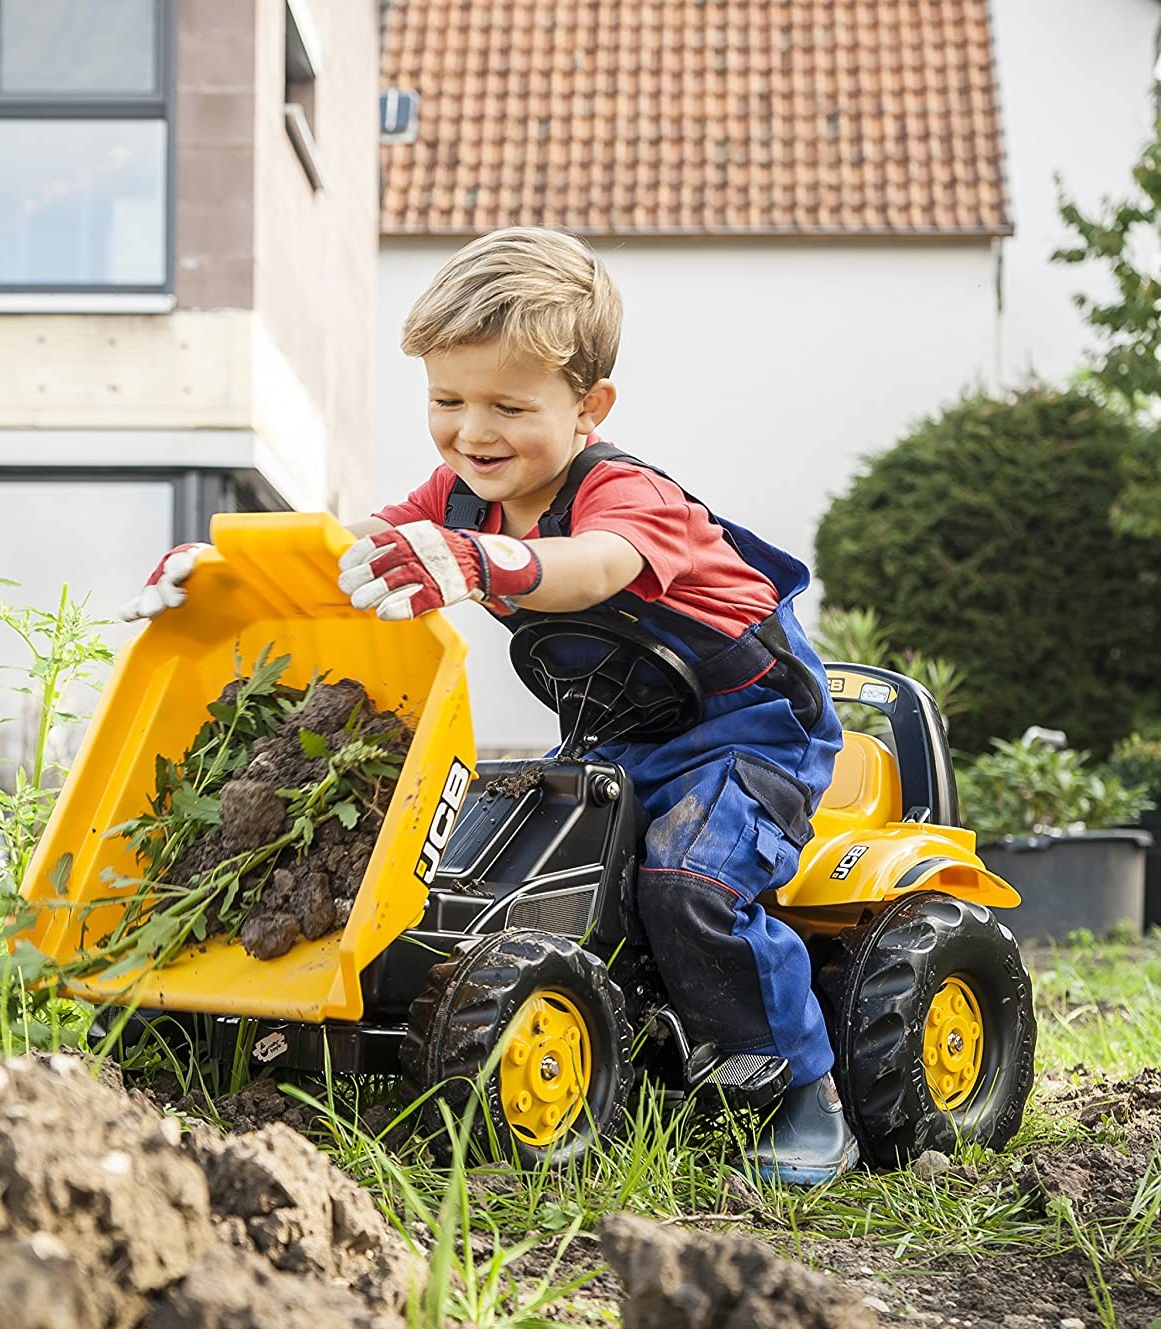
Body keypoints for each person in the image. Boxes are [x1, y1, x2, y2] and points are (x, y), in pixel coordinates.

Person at [122, 227, 856, 1185]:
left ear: (590, 407)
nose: (473, 431)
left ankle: (808, 1094)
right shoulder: (460, 493)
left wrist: (480, 563)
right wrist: (227, 571)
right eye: (447, 400)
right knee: (499, 880)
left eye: (509, 404)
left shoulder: (627, 496)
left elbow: (596, 567)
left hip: (750, 730)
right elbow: (356, 550)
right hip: (619, 735)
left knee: (687, 883)